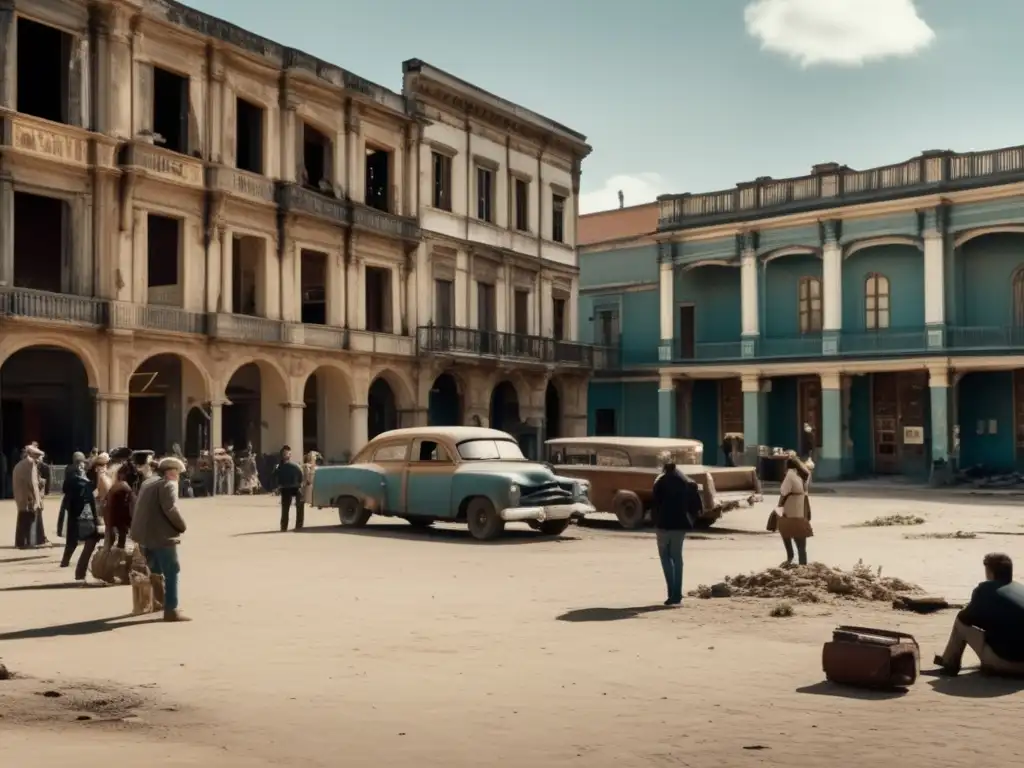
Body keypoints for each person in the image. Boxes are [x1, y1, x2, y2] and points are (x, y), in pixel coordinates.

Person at [934, 553, 1024, 676]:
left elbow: (966, 618)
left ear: (990, 572)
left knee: (960, 622)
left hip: (1006, 664)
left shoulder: (986, 589)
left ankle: (949, 664)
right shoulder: (1021, 589)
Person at [131, 456, 189, 622]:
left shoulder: (148, 482)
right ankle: (171, 609)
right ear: (172, 472)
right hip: (162, 535)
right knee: (172, 570)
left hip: (144, 535)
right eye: (178, 473)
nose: (179, 477)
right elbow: (170, 508)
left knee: (155, 569)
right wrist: (181, 526)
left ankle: (159, 602)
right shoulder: (168, 484)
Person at [650, 450, 702, 606]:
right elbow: (697, 508)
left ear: (663, 467)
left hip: (664, 525)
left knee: (665, 558)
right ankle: (677, 594)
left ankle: (671, 593)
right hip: (680, 525)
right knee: (677, 558)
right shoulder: (687, 482)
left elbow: (655, 505)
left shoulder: (659, 482)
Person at [59, 461, 102, 580]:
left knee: (72, 540)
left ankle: (66, 562)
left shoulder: (70, 482)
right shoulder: (84, 484)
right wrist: (96, 518)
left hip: (74, 515)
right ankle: (80, 571)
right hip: (84, 517)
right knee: (91, 539)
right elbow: (90, 503)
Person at [776, 453, 814, 566]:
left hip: (790, 508)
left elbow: (783, 491)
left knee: (785, 531)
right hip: (802, 508)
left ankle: (790, 557)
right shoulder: (805, 474)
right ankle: (803, 564)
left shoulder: (790, 475)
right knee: (801, 542)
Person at [12, 445, 45, 549]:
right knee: (28, 520)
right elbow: (33, 484)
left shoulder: (21, 464)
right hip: (27, 497)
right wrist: (38, 500)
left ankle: (20, 542)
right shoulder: (30, 465)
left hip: (21, 496)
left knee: (22, 519)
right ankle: (26, 542)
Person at [104, 462, 136, 550]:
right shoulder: (124, 486)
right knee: (120, 539)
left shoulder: (116, 486)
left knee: (115, 540)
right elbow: (132, 503)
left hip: (114, 517)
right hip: (119, 517)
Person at [274, 446, 304, 532]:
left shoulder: (294, 466)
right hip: (285, 488)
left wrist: (299, 484)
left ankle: (298, 525)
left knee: (299, 503)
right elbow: (275, 478)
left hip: (295, 487)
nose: (287, 455)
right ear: (282, 455)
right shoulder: (279, 467)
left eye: (288, 453)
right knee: (285, 508)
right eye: (286, 453)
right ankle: (284, 526)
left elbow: (301, 476)